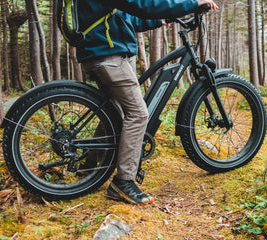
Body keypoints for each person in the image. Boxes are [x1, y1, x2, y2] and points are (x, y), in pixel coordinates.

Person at [76, 0, 218, 205]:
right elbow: (141, 5)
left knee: (113, 109)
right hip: (108, 55)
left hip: (105, 50)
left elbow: (125, 17)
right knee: (139, 114)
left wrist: (161, 19)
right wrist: (192, 3)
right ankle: (123, 182)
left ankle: (90, 164)